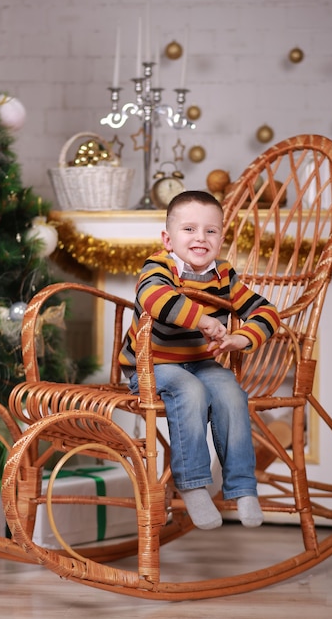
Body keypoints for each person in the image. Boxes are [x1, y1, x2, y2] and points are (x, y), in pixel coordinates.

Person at [119, 191, 280, 530]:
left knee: (231, 393)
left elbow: (266, 312)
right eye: (189, 229)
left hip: (200, 363)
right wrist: (204, 320)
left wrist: (240, 337)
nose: (200, 238)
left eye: (211, 231)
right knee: (190, 391)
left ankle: (241, 486)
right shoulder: (159, 267)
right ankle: (192, 484)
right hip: (151, 366)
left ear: (221, 238)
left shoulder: (224, 275)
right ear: (168, 238)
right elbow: (154, 298)